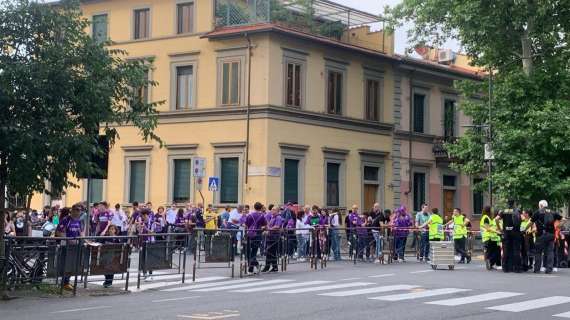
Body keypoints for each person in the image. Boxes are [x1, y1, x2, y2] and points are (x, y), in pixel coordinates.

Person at [530, 200, 563, 274]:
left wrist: (525, 229)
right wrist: (558, 226)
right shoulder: (553, 212)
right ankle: (549, 269)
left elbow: (531, 222)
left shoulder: (538, 212)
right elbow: (562, 219)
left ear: (541, 205)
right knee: (550, 252)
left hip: (541, 235)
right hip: (551, 235)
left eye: (539, 205)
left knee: (538, 252)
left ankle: (537, 269)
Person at [58, 205, 85, 291]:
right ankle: (64, 283)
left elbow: (81, 232)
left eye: (80, 210)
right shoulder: (66, 220)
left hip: (76, 246)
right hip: (67, 246)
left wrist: (83, 240)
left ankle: (67, 282)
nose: (78, 212)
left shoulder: (79, 221)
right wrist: (69, 241)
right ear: (72, 210)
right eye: (77, 210)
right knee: (66, 264)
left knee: (73, 265)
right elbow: (59, 232)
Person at [497, 200, 522, 273]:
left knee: (506, 250)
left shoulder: (503, 211)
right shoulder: (517, 210)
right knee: (516, 250)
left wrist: (500, 229)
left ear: (507, 204)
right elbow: (523, 218)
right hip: (515, 233)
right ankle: (517, 268)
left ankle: (506, 268)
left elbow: (496, 219)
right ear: (514, 203)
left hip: (506, 233)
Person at [245, 202, 267, 273]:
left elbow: (246, 225)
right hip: (257, 235)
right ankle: (254, 267)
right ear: (260, 208)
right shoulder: (262, 216)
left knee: (249, 252)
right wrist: (262, 228)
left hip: (249, 234)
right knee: (254, 252)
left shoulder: (250, 215)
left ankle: (251, 269)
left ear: (254, 207)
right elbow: (265, 225)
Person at [480, 206, 501, 270]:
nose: (492, 211)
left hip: (491, 237)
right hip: (488, 237)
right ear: (488, 210)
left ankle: (490, 263)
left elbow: (490, 227)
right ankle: (489, 262)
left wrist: (496, 229)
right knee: (492, 252)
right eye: (491, 210)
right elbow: (487, 228)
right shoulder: (485, 217)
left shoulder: (488, 218)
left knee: (494, 251)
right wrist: (497, 231)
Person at [263, 206, 283, 272]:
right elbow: (269, 225)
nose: (272, 211)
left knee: (271, 252)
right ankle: (272, 267)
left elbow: (277, 226)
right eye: (272, 210)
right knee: (270, 252)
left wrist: (269, 229)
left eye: (274, 210)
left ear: (277, 211)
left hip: (275, 237)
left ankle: (270, 267)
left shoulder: (278, 217)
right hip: (270, 236)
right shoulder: (272, 217)